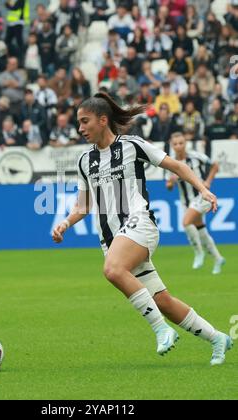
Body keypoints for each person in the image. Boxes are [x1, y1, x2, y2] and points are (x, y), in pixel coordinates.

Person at [52, 92, 233, 366]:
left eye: (84, 121)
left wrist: (203, 189)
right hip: (112, 240)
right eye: (79, 123)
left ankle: (161, 330)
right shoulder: (84, 161)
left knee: (112, 270)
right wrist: (65, 223)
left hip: (139, 223)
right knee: (162, 301)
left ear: (103, 120)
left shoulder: (132, 146)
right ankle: (218, 338)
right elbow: (83, 204)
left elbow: (176, 165)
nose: (80, 128)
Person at [166, 132, 225, 274]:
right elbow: (168, 186)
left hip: (201, 196)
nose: (178, 146)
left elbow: (215, 165)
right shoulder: (171, 162)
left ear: (185, 143)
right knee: (201, 229)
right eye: (175, 144)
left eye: (181, 143)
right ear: (171, 146)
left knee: (186, 222)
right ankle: (218, 258)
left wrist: (208, 182)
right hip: (186, 201)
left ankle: (199, 253)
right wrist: (171, 182)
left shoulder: (196, 157)